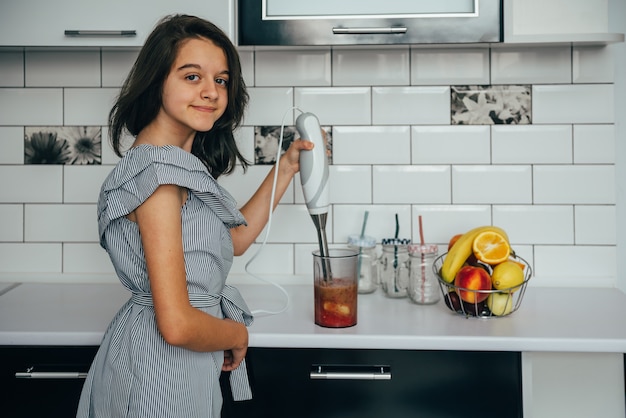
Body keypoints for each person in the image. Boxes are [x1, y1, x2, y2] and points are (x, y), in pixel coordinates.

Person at [76, 14, 314, 417]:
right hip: (157, 371)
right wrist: (236, 333)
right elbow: (178, 325)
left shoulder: (179, 166)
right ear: (157, 82)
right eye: (192, 77)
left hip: (181, 366)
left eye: (220, 80)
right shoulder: (159, 178)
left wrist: (286, 167)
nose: (211, 92)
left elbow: (233, 240)